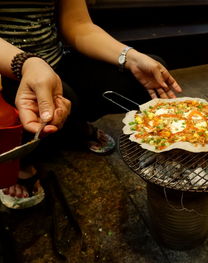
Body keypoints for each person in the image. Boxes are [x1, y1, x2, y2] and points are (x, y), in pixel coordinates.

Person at [0, 0, 182, 209]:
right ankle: (20, 164)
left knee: (146, 74)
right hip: (5, 73)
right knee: (59, 99)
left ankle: (72, 124)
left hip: (55, 61)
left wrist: (130, 57)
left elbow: (78, 24)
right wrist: (26, 63)